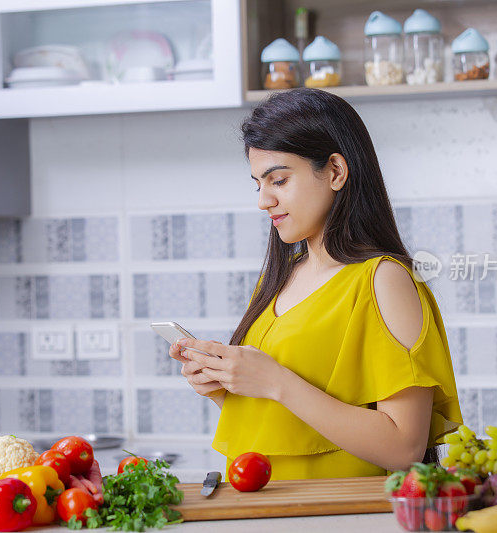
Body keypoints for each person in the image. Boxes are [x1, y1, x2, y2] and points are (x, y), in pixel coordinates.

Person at [168, 88, 462, 480]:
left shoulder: (383, 279)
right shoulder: (281, 279)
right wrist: (227, 386)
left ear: (336, 172)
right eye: (258, 184)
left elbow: (405, 446)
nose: (264, 200)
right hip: (271, 512)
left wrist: (275, 381)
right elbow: (291, 427)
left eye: (279, 180)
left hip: (344, 516)